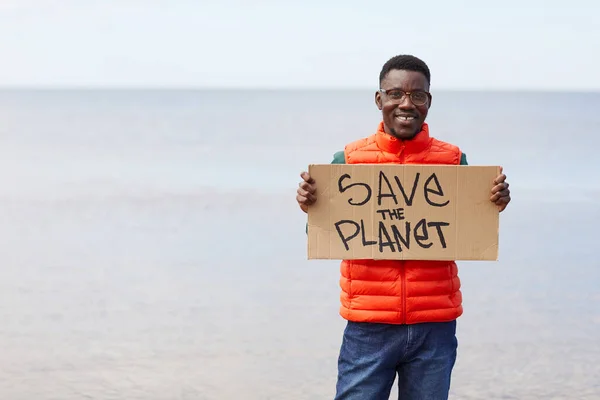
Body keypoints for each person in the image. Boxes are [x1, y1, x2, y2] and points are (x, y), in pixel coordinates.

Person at [295, 55, 511, 400]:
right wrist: (312, 208)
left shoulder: (454, 161)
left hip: (434, 325)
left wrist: (494, 204)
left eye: (418, 95)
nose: (406, 104)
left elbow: (468, 233)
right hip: (368, 325)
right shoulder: (348, 160)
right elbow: (325, 237)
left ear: (429, 101)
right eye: (395, 94)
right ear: (379, 100)